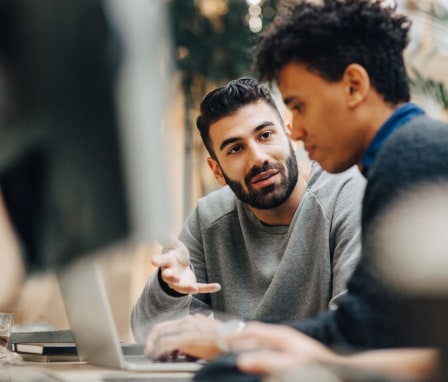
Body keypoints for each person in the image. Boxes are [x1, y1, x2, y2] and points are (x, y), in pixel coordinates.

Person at [144, 0, 448, 379]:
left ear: (354, 86)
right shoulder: (409, 151)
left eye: (299, 107)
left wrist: (231, 336)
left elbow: (362, 334)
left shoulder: (411, 156)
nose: (297, 132)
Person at [131, 77, 366, 343]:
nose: (258, 158)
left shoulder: (346, 195)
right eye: (236, 149)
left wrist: (229, 339)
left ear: (289, 135)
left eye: (265, 135)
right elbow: (146, 335)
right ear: (216, 170)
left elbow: (354, 331)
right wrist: (169, 289)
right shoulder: (209, 218)